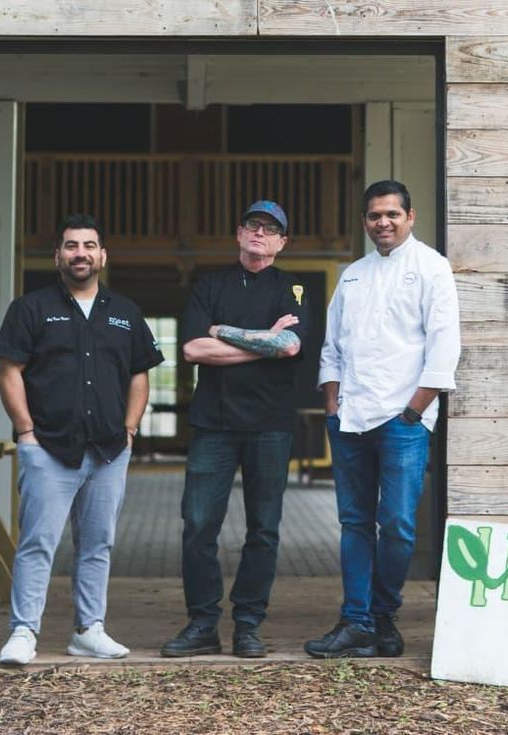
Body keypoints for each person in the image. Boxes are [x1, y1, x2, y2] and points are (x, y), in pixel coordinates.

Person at [0, 213, 164, 666]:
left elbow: (140, 375)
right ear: (58, 256)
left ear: (102, 255)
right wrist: (26, 433)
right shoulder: (30, 309)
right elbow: (9, 372)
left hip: (108, 451)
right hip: (49, 448)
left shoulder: (125, 313)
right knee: (37, 543)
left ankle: (89, 630)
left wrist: (129, 430)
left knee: (97, 545)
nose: (80, 253)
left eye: (89, 245)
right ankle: (23, 632)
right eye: (71, 245)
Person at [305, 180, 461, 658]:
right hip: (351, 419)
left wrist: (414, 410)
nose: (383, 222)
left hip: (403, 421)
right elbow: (332, 348)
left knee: (396, 525)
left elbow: (444, 346)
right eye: (375, 215)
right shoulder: (353, 276)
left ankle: (383, 614)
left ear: (410, 217)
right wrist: (332, 406)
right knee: (355, 524)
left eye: (392, 214)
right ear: (365, 221)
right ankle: (356, 621)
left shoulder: (432, 267)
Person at [160, 200, 309, 659]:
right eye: (253, 225)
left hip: (270, 425)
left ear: (283, 242)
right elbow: (192, 351)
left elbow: (290, 346)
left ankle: (248, 625)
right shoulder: (210, 285)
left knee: (263, 529)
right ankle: (202, 623)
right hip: (214, 424)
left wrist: (222, 331)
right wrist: (263, 340)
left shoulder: (292, 288)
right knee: (198, 526)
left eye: (270, 229)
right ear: (239, 233)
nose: (260, 233)